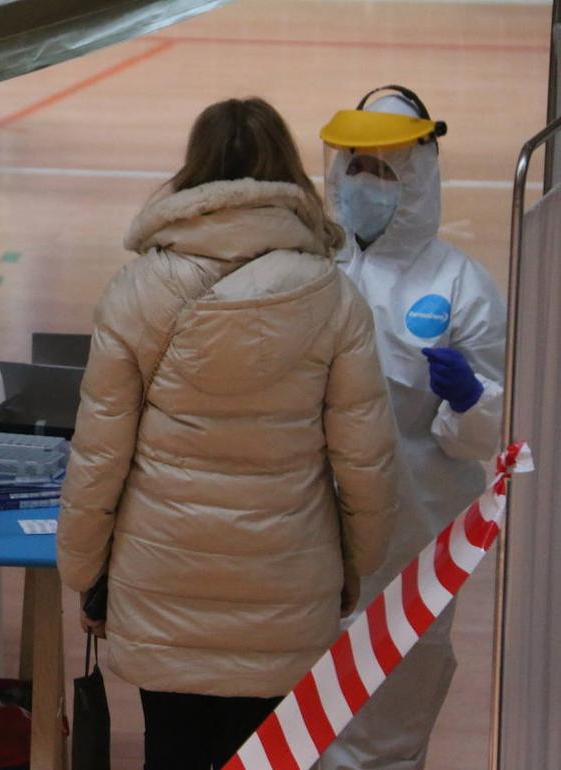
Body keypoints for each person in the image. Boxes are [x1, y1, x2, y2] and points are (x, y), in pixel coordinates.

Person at [56, 97, 400, 770]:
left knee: (174, 753)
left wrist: (86, 574)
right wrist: (357, 561)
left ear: (194, 172)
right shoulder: (333, 297)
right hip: (287, 581)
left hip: (162, 580)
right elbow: (365, 458)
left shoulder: (135, 291)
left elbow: (99, 458)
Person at [317, 86, 506, 770]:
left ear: (418, 177)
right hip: (312, 534)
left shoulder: (463, 288)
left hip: (414, 540)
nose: (366, 184)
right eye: (356, 167)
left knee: (388, 715)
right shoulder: (311, 267)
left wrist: (470, 402)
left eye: (385, 171)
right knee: (305, 711)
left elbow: (493, 437)